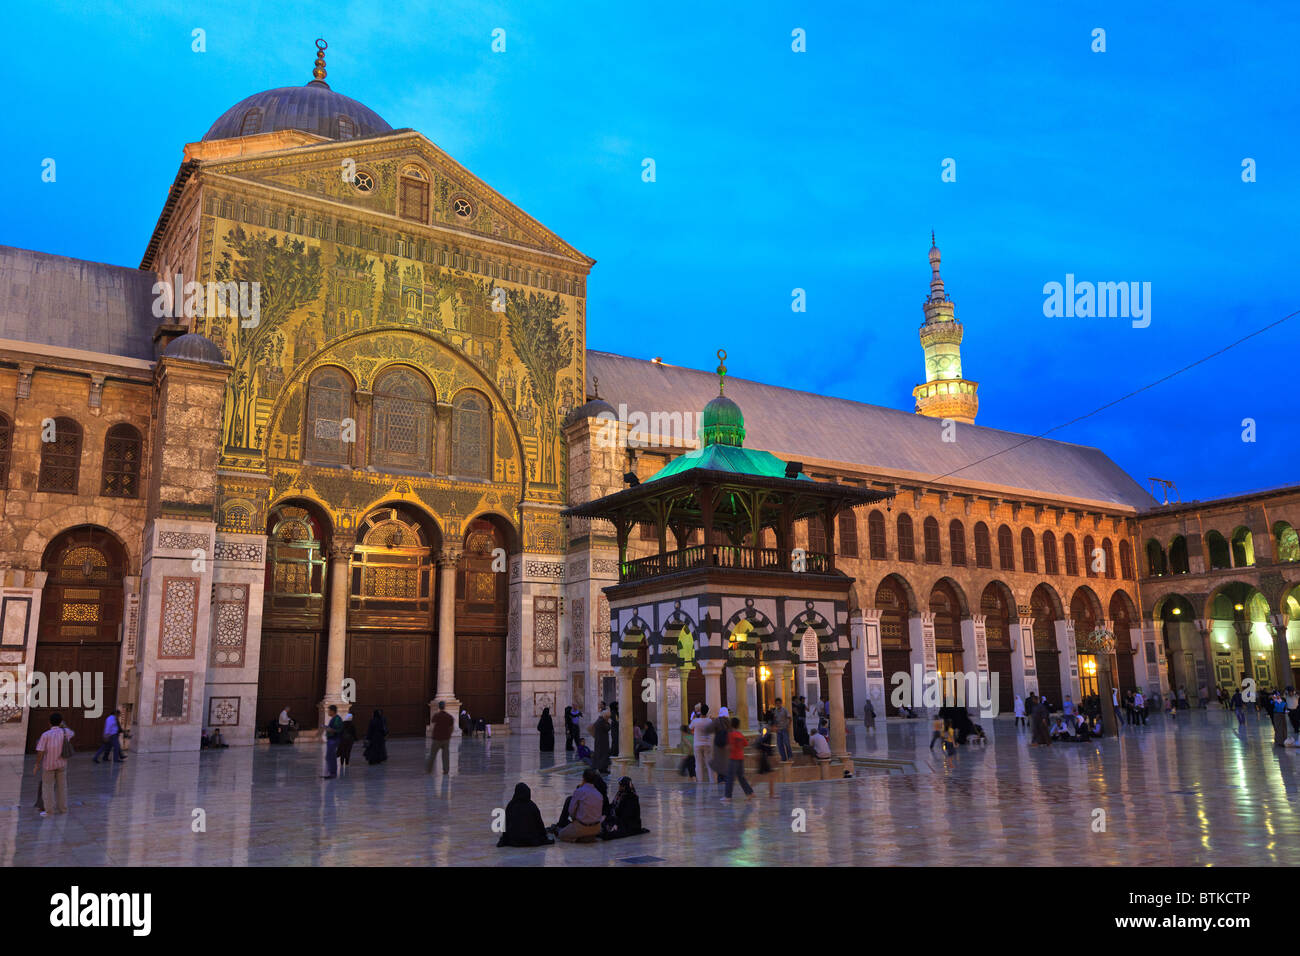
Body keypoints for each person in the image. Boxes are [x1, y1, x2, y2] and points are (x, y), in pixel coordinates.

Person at [33, 713, 74, 817]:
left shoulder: (45, 735)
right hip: (62, 764)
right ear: (61, 722)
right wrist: (63, 725)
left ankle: (49, 811)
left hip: (49, 765)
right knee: (62, 787)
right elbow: (72, 733)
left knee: (48, 788)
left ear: (49, 722)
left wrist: (37, 764)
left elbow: (41, 751)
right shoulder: (66, 733)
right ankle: (63, 809)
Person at [497, 783, 554, 847]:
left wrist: (505, 838)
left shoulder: (511, 805)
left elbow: (505, 825)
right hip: (531, 840)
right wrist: (544, 835)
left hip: (514, 841)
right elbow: (539, 824)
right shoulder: (532, 806)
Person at [556, 769, 605, 842]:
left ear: (583, 778)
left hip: (582, 827)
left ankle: (580, 839)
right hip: (597, 828)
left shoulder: (579, 791)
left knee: (561, 835)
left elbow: (571, 811)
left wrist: (575, 820)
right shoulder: (599, 794)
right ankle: (587, 837)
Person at [721, 717, 754, 801]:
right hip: (740, 758)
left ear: (731, 725)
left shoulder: (731, 734)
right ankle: (750, 793)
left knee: (730, 778)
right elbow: (746, 744)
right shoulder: (740, 734)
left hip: (733, 758)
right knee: (741, 777)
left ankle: (728, 796)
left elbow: (730, 746)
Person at [427, 700, 455, 774]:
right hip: (446, 739)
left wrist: (432, 734)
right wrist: (449, 735)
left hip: (437, 739)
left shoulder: (436, 716)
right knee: (446, 756)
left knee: (432, 755)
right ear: (444, 707)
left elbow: (432, 726)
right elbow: (452, 728)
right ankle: (446, 770)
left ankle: (428, 770)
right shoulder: (449, 716)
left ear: (439, 707)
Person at [688, 705, 714, 784]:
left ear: (700, 711)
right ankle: (712, 781)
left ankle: (700, 782)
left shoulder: (696, 721)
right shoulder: (709, 721)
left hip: (697, 744)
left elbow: (690, 727)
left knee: (698, 763)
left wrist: (693, 718)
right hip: (707, 744)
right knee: (709, 763)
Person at [710, 706, 733, 785]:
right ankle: (726, 778)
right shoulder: (728, 722)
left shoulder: (717, 721)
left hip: (718, 744)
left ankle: (720, 779)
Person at [756, 727, 777, 796]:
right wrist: (773, 758)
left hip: (763, 757)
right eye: (776, 726)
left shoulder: (766, 735)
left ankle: (749, 790)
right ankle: (771, 794)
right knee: (770, 776)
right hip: (765, 758)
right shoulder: (770, 735)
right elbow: (769, 748)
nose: (776, 728)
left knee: (760, 776)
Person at [589, 710, 611, 774]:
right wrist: (609, 723)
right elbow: (607, 728)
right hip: (601, 742)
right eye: (607, 717)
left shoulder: (600, 720)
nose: (608, 718)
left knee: (603, 755)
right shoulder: (601, 721)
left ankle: (603, 769)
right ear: (604, 715)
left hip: (601, 741)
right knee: (602, 756)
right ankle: (601, 769)